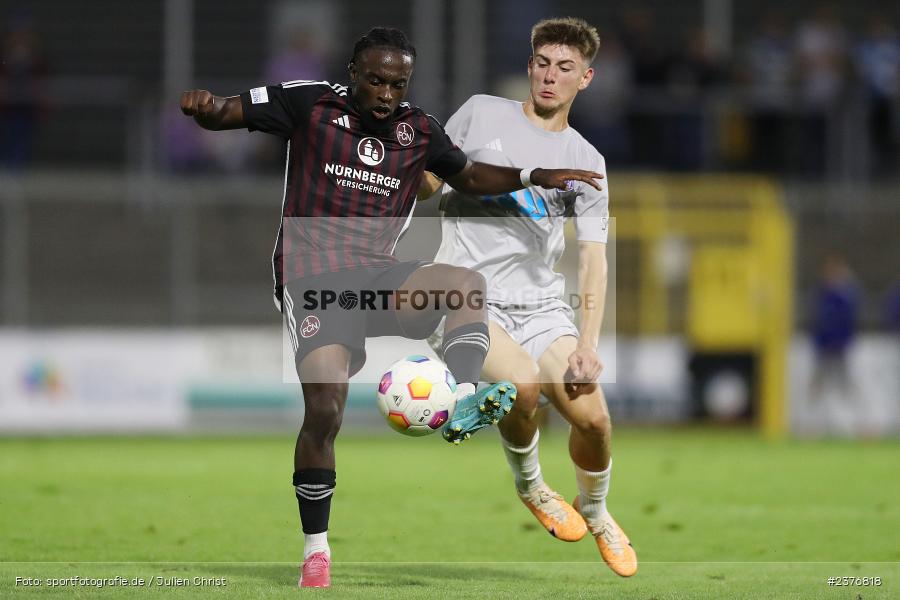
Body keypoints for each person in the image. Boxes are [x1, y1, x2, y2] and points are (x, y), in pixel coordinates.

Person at [180, 27, 604, 588]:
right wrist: (206, 107)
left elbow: (469, 175)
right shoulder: (311, 103)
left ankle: (462, 394)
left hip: (376, 274)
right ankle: (316, 550)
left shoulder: (418, 130)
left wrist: (535, 175)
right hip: (314, 281)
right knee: (326, 410)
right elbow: (229, 112)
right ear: (353, 74)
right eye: (376, 81)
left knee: (462, 285)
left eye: (397, 85)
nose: (385, 95)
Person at [418, 17, 637, 577]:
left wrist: (588, 344)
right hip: (466, 298)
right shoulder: (480, 113)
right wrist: (407, 167)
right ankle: (533, 486)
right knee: (522, 386)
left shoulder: (587, 161)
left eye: (565, 67)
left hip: (541, 307)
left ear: (585, 78)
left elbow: (593, 258)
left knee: (594, 420)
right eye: (542, 63)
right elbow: (429, 183)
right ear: (530, 64)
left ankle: (595, 510)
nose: (549, 76)